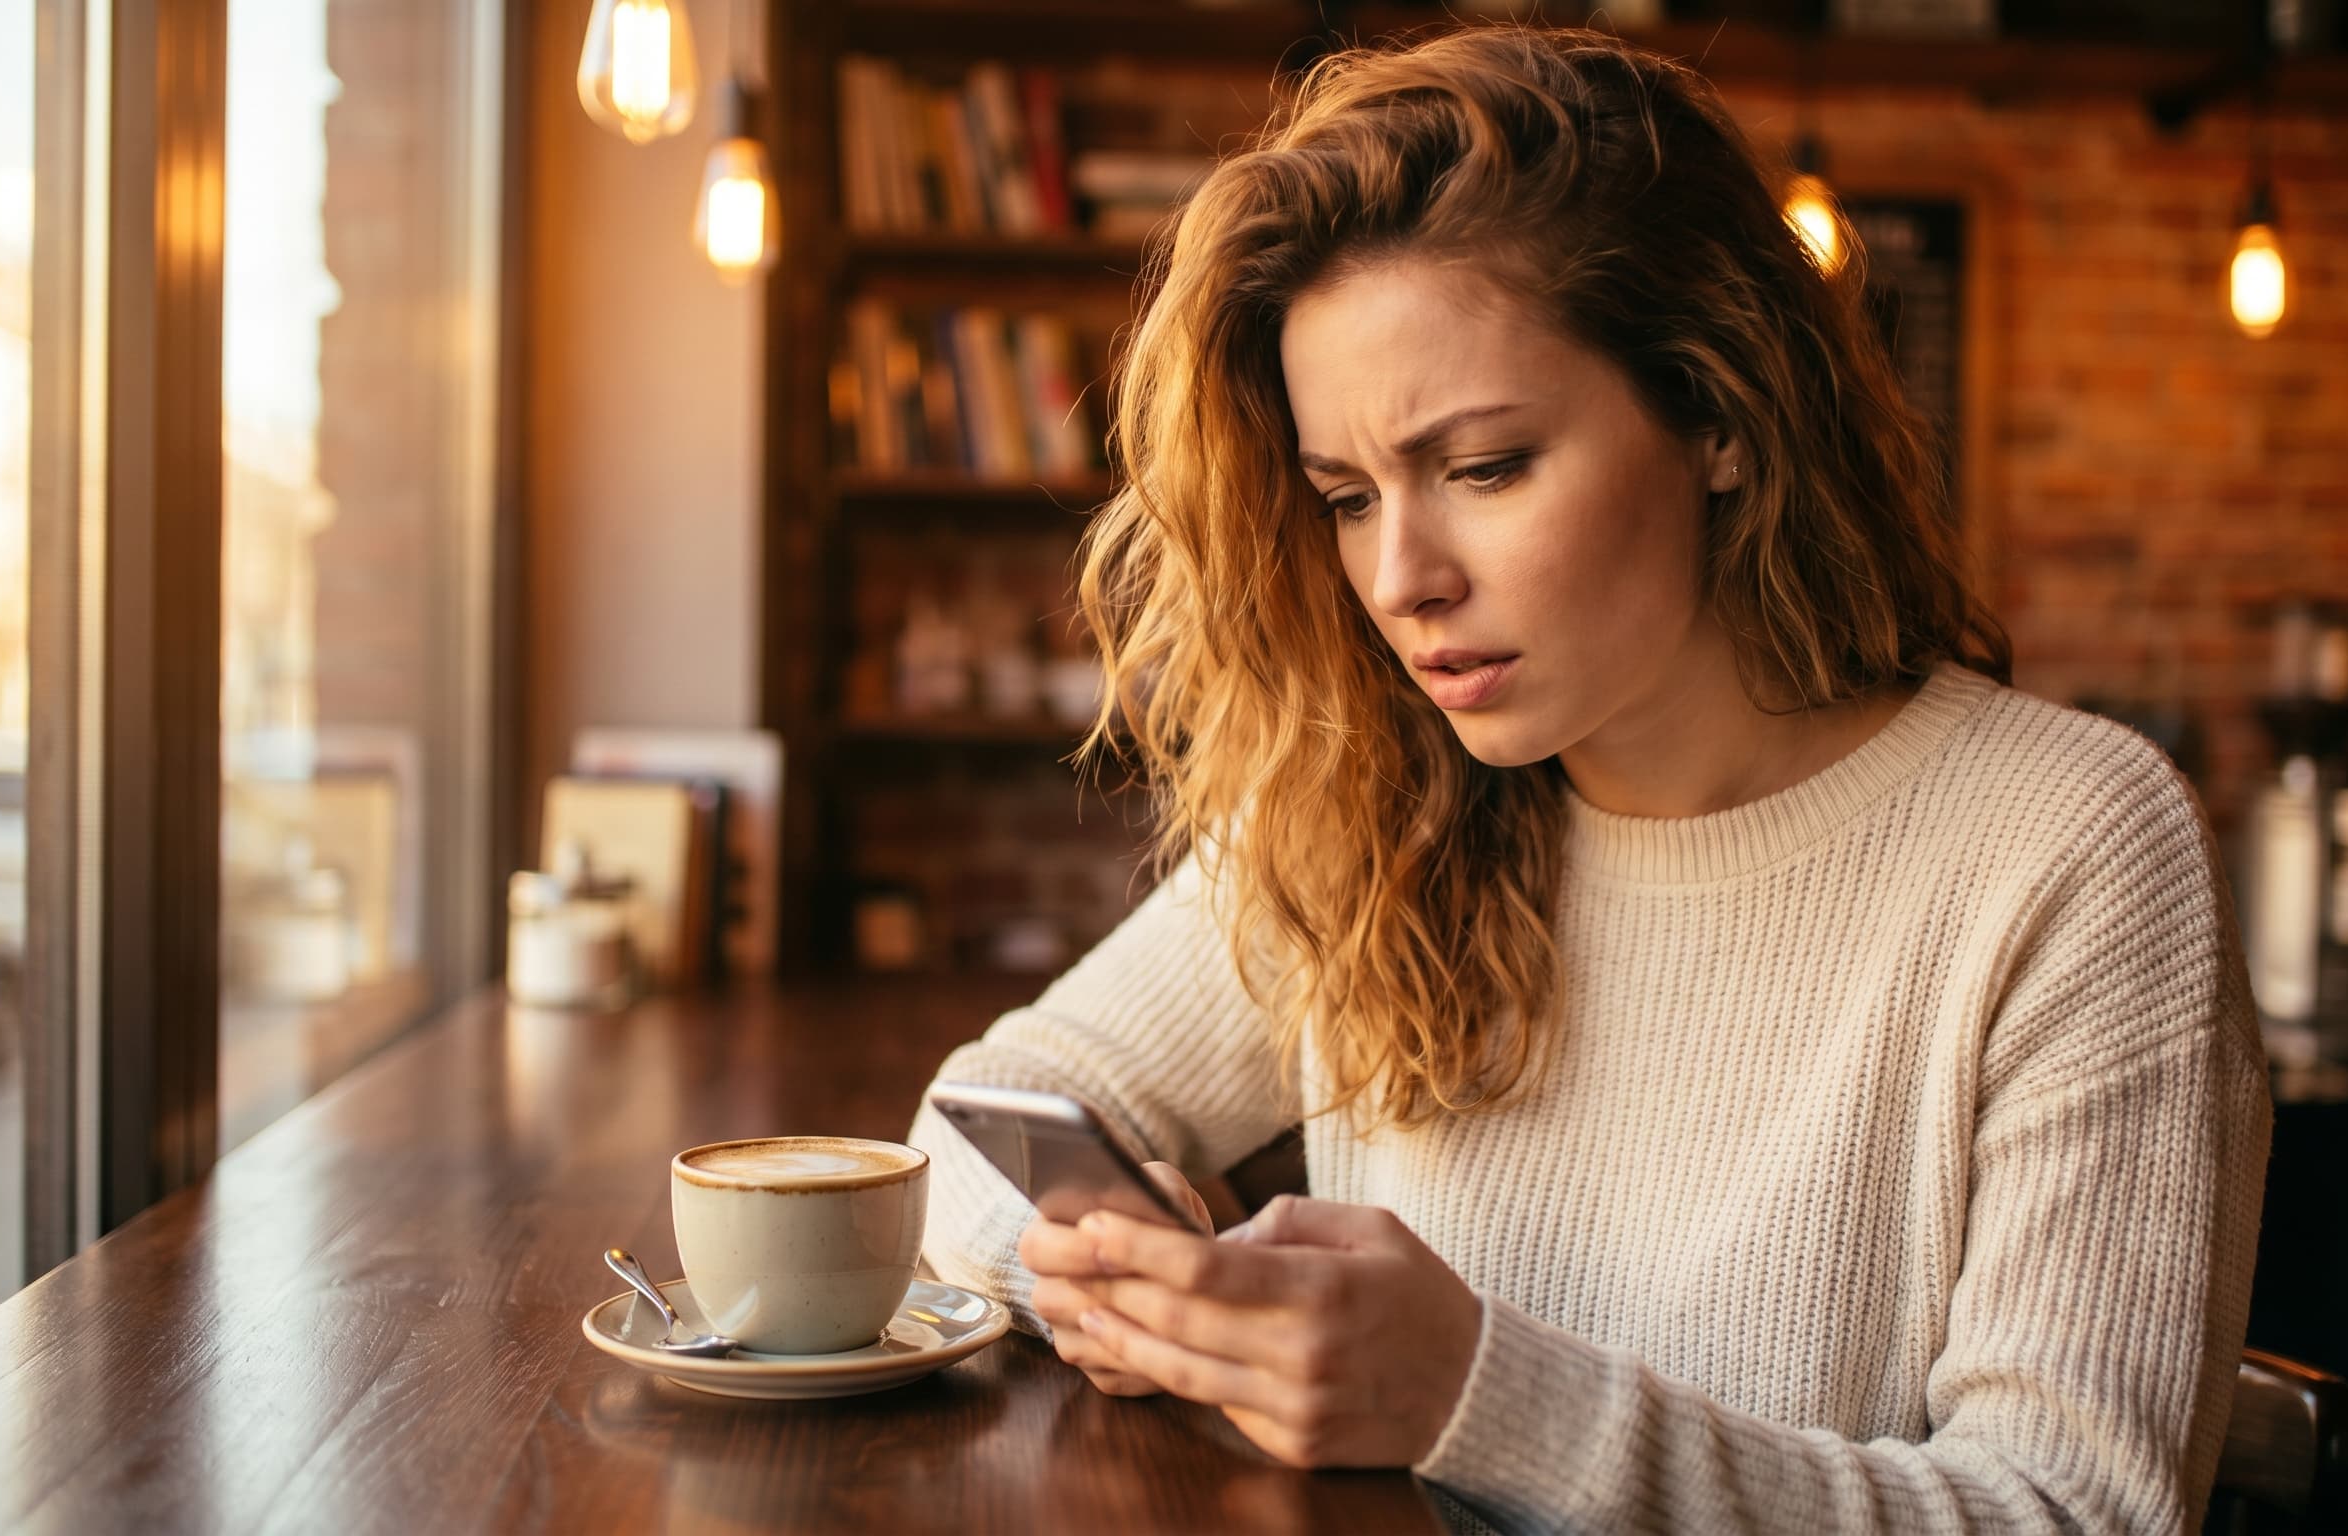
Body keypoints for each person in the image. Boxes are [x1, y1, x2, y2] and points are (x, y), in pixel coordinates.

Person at [906, 23, 2268, 1534]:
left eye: (1485, 468)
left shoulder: (2065, 846)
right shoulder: (1376, 802)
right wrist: (1125, 1281)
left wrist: (1481, 1396)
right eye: (1348, 498)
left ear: (1721, 418)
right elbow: (990, 1111)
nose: (1402, 579)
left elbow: (2071, 1515)